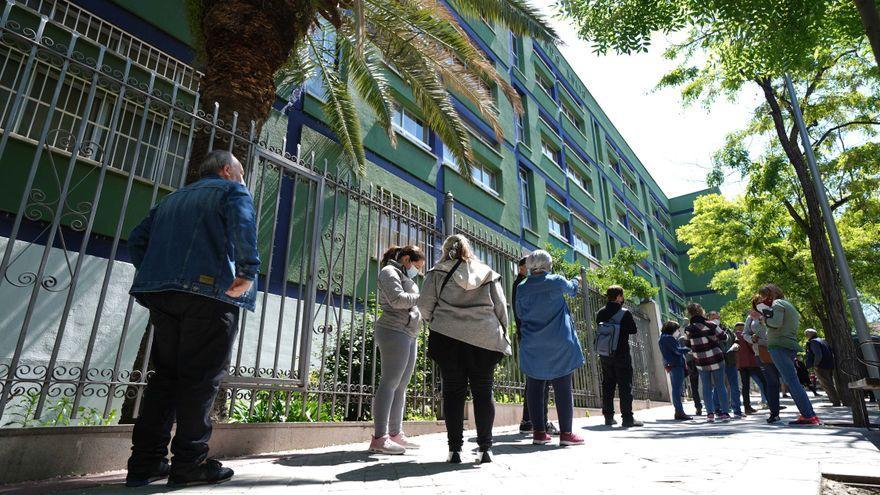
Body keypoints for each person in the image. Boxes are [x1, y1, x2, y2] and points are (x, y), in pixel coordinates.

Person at [125, 150, 259, 487]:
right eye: (241, 173)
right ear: (228, 170)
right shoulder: (232, 190)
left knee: (164, 379)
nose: (243, 180)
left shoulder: (171, 199)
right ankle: (189, 464)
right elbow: (244, 227)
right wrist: (247, 272)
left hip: (163, 294)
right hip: (210, 293)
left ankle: (145, 463)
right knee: (200, 379)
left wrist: (156, 272)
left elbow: (136, 240)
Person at [419, 235, 512, 464]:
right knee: (483, 392)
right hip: (484, 339)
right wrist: (503, 333)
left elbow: (423, 306)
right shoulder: (488, 273)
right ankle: (485, 449)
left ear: (446, 250)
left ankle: (454, 450)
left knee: (452, 392)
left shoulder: (436, 272)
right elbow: (501, 308)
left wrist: (438, 321)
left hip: (447, 338)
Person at [516, 250, 586, 446]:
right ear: (548, 264)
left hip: (532, 343)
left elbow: (520, 313)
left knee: (535, 387)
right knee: (563, 387)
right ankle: (566, 434)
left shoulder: (522, 287)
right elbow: (572, 289)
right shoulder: (556, 280)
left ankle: (538, 433)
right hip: (559, 342)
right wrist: (576, 279)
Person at [370, 244, 426, 455]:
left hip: (408, 333)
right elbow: (397, 300)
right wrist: (423, 296)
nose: (418, 272)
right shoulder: (388, 272)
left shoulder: (404, 276)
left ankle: (395, 434)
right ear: (406, 260)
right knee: (389, 382)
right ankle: (379, 438)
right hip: (393, 331)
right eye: (417, 267)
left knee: (401, 385)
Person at [751, 284, 820, 426]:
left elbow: (775, 323)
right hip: (789, 345)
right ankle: (809, 414)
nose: (764, 299)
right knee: (793, 381)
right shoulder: (788, 305)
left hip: (779, 346)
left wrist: (764, 320)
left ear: (771, 294)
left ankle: (808, 415)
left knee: (792, 382)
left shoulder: (778, 303)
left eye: (765, 296)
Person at [512, 257, 557, 435]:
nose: (533, 269)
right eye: (530, 266)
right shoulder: (524, 285)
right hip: (533, 335)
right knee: (542, 379)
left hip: (528, 335)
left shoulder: (522, 284)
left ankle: (528, 421)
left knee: (535, 379)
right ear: (523, 267)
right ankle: (541, 422)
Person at [596, 285, 643, 428]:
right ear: (618, 297)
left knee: (608, 384)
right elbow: (633, 330)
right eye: (622, 296)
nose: (623, 299)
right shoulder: (624, 312)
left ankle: (608, 417)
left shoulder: (600, 312)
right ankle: (627, 418)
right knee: (624, 385)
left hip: (605, 353)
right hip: (621, 352)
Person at [684, 302, 730, 423]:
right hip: (716, 358)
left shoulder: (688, 329)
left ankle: (710, 414)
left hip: (700, 361)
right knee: (720, 385)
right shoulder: (711, 324)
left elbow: (688, 344)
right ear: (701, 311)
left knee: (706, 387)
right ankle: (725, 413)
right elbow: (724, 337)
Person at [744, 295, 784, 423]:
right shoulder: (750, 318)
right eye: (756, 302)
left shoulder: (773, 311)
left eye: (762, 301)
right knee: (771, 382)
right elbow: (745, 333)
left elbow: (777, 327)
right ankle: (774, 412)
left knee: (789, 379)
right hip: (761, 352)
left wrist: (762, 319)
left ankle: (805, 412)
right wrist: (751, 339)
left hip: (778, 349)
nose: (759, 303)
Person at [708, 311, 743, 418]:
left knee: (734, 386)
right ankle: (717, 409)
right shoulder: (708, 331)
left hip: (730, 360)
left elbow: (736, 341)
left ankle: (737, 409)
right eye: (713, 317)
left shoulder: (727, 330)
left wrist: (736, 345)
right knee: (719, 386)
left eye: (717, 317)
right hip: (717, 361)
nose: (716, 319)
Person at [658, 321, 692, 420]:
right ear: (672, 329)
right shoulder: (668, 338)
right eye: (677, 329)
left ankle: (679, 411)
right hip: (676, 364)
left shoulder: (662, 338)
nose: (678, 331)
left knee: (676, 389)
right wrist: (687, 349)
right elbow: (677, 350)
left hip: (672, 365)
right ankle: (679, 411)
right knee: (677, 390)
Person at [734, 322, 767, 415]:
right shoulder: (746, 336)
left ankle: (747, 407)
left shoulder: (734, 337)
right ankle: (771, 403)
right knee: (764, 382)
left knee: (745, 386)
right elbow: (752, 347)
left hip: (741, 364)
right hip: (752, 362)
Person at [805, 328, 842, 407]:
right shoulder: (823, 341)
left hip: (821, 366)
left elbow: (818, 355)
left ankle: (835, 402)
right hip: (829, 365)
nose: (806, 336)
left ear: (809, 335)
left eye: (806, 334)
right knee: (829, 383)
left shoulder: (813, 342)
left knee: (826, 384)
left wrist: (815, 364)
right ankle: (835, 400)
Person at [682, 335, 703, 415]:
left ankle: (699, 407)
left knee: (695, 387)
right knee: (698, 386)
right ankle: (699, 407)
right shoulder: (699, 336)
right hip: (696, 362)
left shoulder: (683, 339)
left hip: (693, 362)